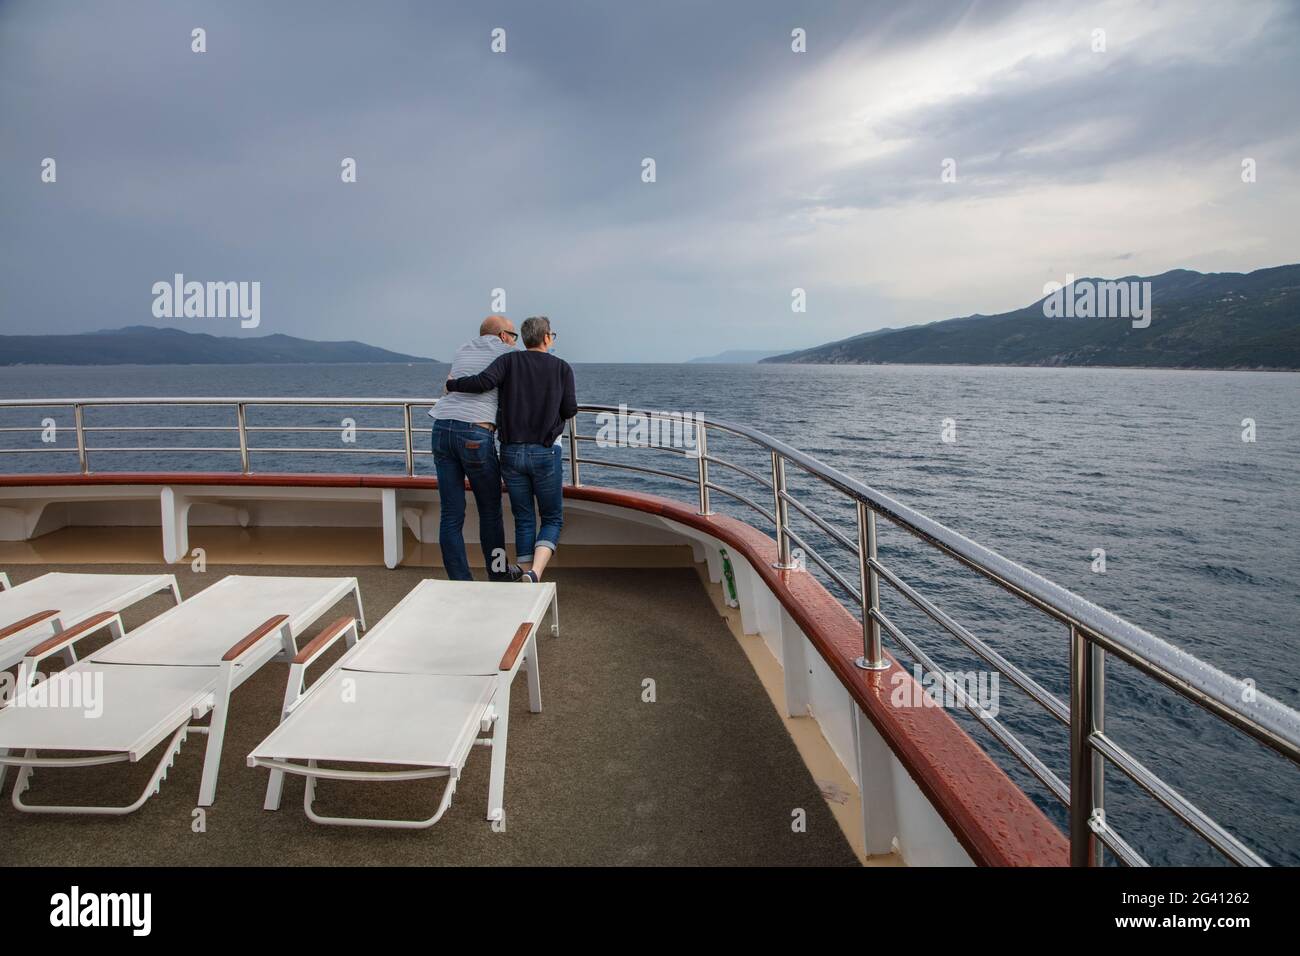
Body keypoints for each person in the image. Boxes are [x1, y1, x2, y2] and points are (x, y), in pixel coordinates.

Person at [445, 315, 575, 582]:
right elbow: (569, 409)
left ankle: (523, 575)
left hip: (511, 452)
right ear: (547, 337)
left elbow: (482, 382)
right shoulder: (562, 368)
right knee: (551, 517)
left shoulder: (508, 361)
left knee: (524, 517)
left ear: (525, 338)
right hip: (545, 452)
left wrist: (452, 384)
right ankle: (535, 573)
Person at [430, 315, 517, 581]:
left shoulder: (462, 349)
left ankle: (460, 581)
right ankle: (498, 573)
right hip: (475, 433)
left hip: (442, 428)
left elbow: (448, 385)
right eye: (514, 336)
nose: (515, 342)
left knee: (451, 513)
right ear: (503, 336)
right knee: (490, 510)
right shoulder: (507, 354)